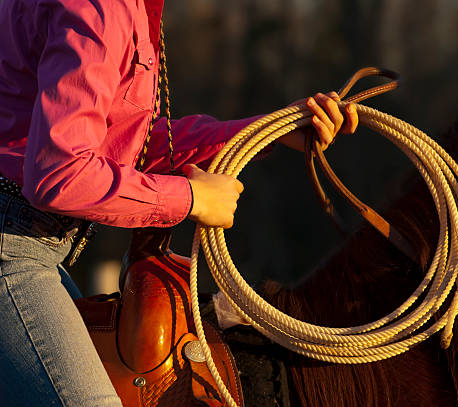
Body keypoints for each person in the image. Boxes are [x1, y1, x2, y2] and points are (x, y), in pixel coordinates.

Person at [0, 0, 358, 405]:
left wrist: (265, 132)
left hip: (31, 246)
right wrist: (191, 199)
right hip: (12, 249)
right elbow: (59, 174)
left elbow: (122, 144)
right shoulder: (102, 8)